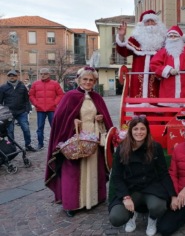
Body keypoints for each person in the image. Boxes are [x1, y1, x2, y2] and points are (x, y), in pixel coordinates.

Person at [44, 66, 113, 217]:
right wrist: (72, 121)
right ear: (79, 80)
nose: (88, 82)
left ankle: (94, 199)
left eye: (91, 80)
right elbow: (59, 119)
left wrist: (100, 120)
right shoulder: (70, 96)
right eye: (85, 79)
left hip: (93, 139)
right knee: (73, 171)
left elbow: (105, 120)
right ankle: (72, 204)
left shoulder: (97, 98)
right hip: (75, 140)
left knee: (93, 168)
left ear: (95, 81)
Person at [108, 115, 175, 235]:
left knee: (159, 207)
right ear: (131, 131)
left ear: (147, 130)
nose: (139, 132)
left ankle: (152, 219)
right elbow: (116, 176)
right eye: (135, 129)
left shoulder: (155, 147)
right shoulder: (122, 148)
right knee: (116, 218)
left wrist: (173, 195)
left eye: (142, 129)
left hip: (151, 187)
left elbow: (163, 173)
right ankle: (131, 216)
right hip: (131, 189)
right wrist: (126, 197)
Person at [116, 10, 167, 101]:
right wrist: (121, 37)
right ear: (142, 25)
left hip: (157, 77)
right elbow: (123, 52)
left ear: (157, 24)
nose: (150, 24)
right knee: (138, 102)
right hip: (138, 76)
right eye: (147, 22)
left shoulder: (164, 40)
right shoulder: (136, 39)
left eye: (152, 21)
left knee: (157, 101)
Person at [150, 25, 185, 107]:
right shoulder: (163, 52)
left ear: (180, 38)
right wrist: (168, 70)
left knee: (184, 114)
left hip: (184, 86)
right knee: (168, 113)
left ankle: (183, 120)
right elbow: (154, 64)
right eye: (170, 36)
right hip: (168, 86)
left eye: (175, 36)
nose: (172, 38)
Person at [0, 70, 37, 152]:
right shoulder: (3, 87)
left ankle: (28, 145)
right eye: (10, 75)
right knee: (10, 131)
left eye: (13, 75)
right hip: (9, 113)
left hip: (21, 112)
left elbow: (26, 99)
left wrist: (28, 110)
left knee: (26, 129)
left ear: (17, 76)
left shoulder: (22, 87)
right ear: (8, 77)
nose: (11, 77)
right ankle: (12, 148)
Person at [29, 68, 64, 150]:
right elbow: (31, 95)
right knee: (40, 128)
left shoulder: (55, 84)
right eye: (41, 74)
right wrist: (36, 104)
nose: (43, 75)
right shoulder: (35, 84)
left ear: (49, 74)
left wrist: (55, 103)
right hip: (40, 109)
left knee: (54, 127)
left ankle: (56, 143)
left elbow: (60, 95)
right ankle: (40, 144)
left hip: (52, 109)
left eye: (45, 74)